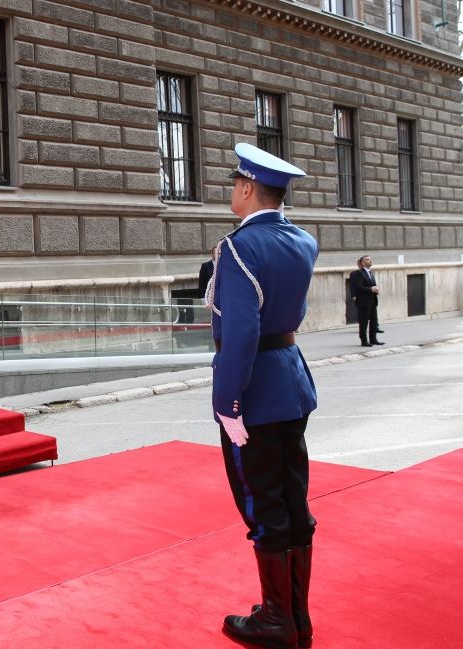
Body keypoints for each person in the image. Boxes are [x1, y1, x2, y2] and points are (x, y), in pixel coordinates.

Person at [206, 143, 319, 649]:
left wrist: (227, 404)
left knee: (262, 506)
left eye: (235, 183)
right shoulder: (303, 241)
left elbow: (240, 337)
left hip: (253, 393)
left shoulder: (237, 249)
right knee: (294, 502)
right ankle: (296, 616)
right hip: (291, 382)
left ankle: (277, 621)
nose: (233, 190)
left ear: (248, 188)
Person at [351, 255, 384, 347]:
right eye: (367, 260)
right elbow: (358, 287)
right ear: (362, 263)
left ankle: (373, 339)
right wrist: (371, 289)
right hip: (363, 302)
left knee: (374, 321)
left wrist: (375, 290)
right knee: (364, 322)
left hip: (372, 300)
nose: (370, 261)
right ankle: (364, 341)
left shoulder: (371, 273)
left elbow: (372, 285)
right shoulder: (359, 273)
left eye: (370, 259)